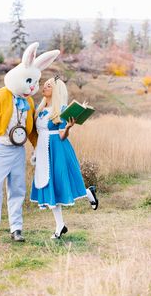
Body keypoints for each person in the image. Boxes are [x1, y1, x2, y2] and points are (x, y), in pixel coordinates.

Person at [0, 42, 60, 249]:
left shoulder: (29, 102)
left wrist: (38, 149)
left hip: (17, 150)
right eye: (29, 81)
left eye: (35, 82)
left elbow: (31, 130)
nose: (32, 86)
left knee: (17, 190)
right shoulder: (0, 95)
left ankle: (16, 229)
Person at [30, 76, 98, 239]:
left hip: (58, 149)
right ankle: (60, 225)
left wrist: (67, 126)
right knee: (49, 184)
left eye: (48, 86)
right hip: (43, 149)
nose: (44, 87)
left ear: (55, 90)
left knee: (59, 183)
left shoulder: (60, 108)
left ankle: (88, 193)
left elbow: (62, 136)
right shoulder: (39, 108)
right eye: (44, 85)